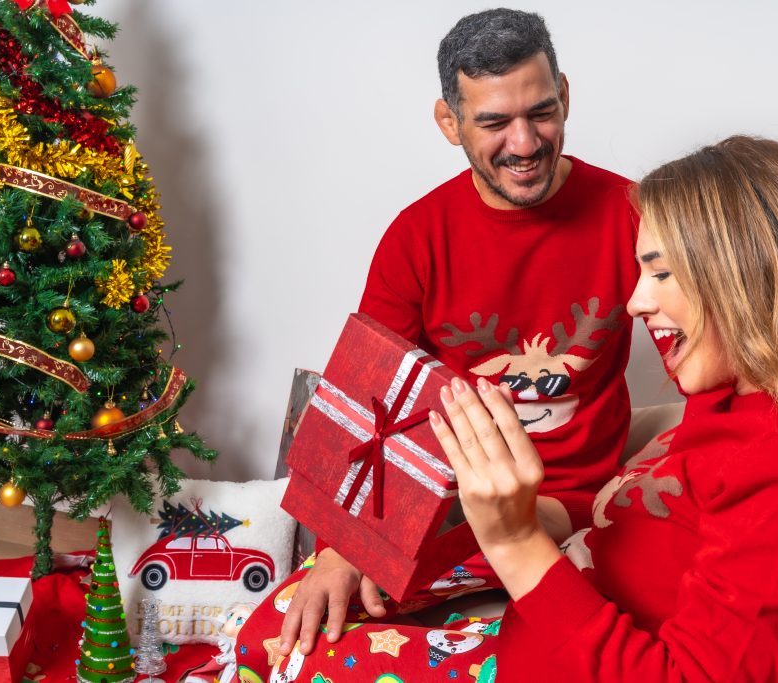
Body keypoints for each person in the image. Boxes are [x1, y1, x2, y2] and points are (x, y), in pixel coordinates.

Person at [235, 135, 778, 682]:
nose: (635, 301)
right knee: (296, 605)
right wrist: (440, 537)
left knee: (272, 648)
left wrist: (516, 540)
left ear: (750, 277)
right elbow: (650, 521)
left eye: (662, 272)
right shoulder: (732, 398)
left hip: (557, 645)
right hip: (557, 597)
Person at [234, 8, 640, 675]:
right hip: (448, 512)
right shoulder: (416, 237)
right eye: (493, 122)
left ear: (565, 95)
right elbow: (363, 413)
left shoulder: (632, 213)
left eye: (541, 112)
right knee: (274, 646)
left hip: (577, 508)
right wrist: (343, 545)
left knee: (582, 651)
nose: (525, 142)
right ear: (449, 122)